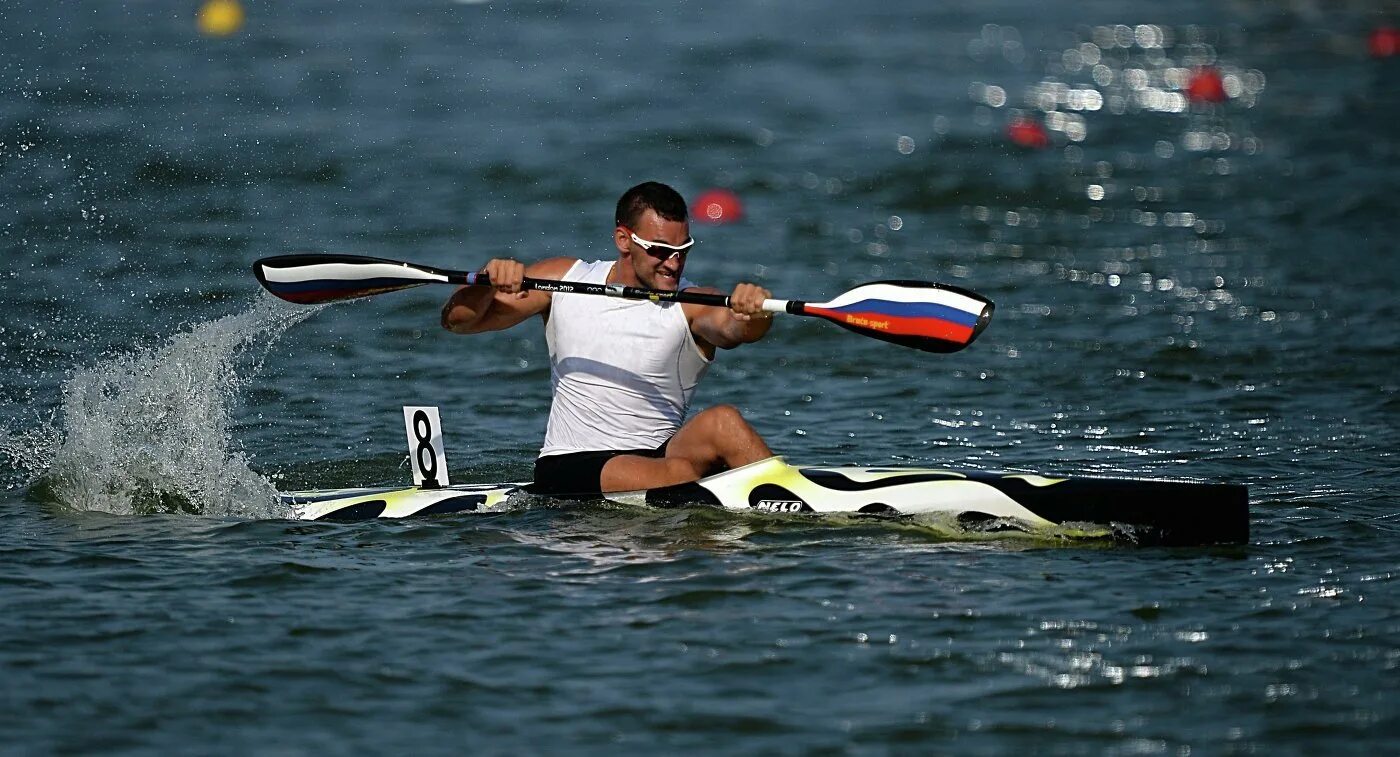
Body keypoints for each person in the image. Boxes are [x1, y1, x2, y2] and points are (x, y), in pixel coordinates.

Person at [441, 181, 776, 495]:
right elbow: (459, 321)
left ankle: (787, 496)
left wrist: (754, 313)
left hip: (659, 458)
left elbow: (736, 331)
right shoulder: (563, 279)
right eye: (660, 250)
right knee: (678, 475)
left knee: (724, 421)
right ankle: (725, 491)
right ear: (623, 240)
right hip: (572, 466)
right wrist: (485, 281)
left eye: (682, 250)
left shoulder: (693, 303)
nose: (673, 264)